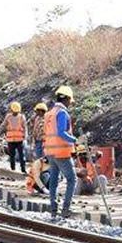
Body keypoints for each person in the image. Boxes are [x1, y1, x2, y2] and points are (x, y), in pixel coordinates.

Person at [44, 85, 79, 218]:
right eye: (70, 101)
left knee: (53, 181)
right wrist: (75, 140)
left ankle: (53, 208)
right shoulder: (62, 113)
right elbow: (61, 132)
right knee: (72, 179)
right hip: (62, 152)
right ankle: (66, 209)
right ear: (67, 99)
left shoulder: (49, 113)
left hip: (51, 152)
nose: (70, 103)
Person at [0, 102, 29, 172]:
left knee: (21, 155)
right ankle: (13, 169)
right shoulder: (8, 116)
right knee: (12, 156)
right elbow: (3, 125)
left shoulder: (21, 117)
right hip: (11, 140)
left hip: (19, 140)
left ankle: (23, 169)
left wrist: (25, 137)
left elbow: (25, 127)